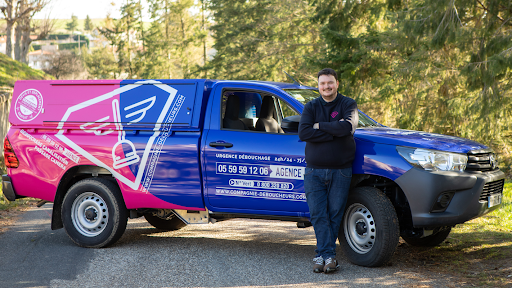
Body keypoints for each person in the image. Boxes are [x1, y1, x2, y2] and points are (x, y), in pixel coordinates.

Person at [298, 68, 358, 273]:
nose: (326, 87)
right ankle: (327, 256)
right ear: (318, 86)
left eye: (330, 82)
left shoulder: (348, 104)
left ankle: (323, 256)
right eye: (322, 83)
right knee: (317, 214)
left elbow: (348, 127)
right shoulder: (311, 106)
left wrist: (319, 126)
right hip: (313, 171)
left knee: (334, 214)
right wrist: (334, 130)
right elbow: (304, 132)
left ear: (337, 83)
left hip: (340, 171)